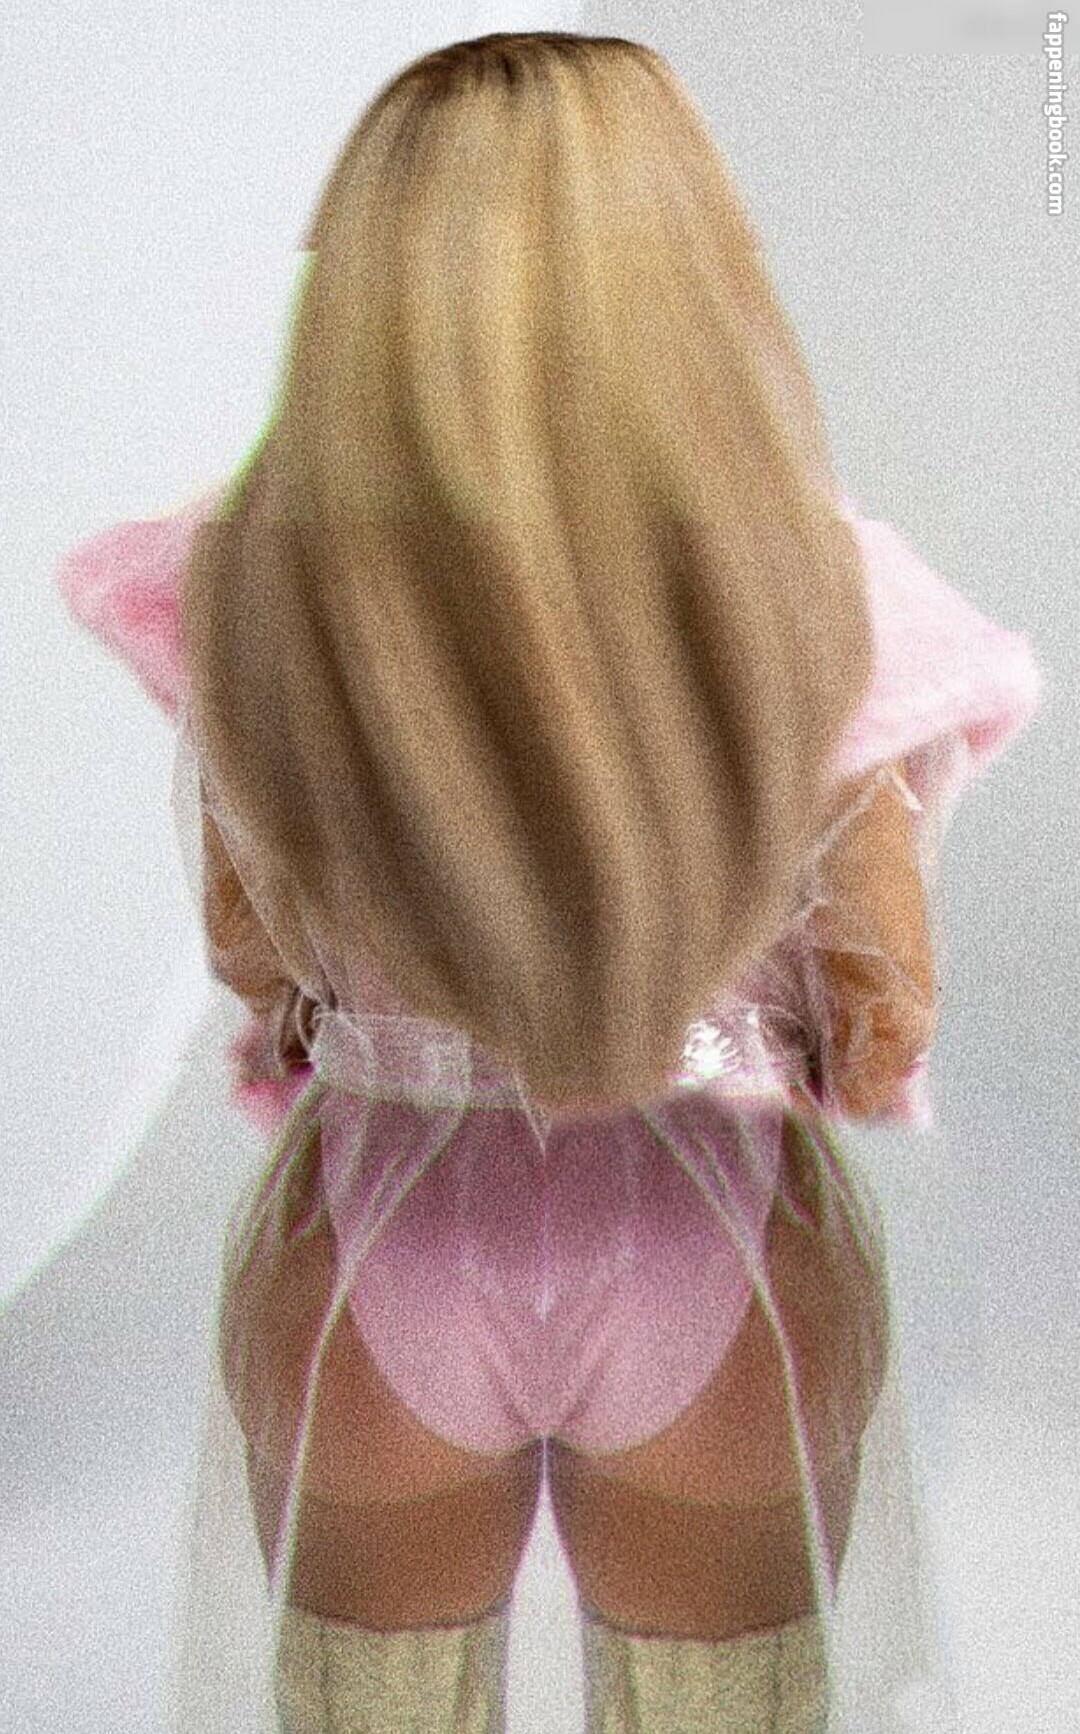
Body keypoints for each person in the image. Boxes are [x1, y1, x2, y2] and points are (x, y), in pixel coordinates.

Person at [55, 31, 1043, 1734]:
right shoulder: (804, 590)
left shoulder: (263, 587)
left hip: (380, 1221)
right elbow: (884, 1011)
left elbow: (251, 954)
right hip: (715, 1222)